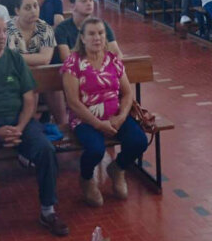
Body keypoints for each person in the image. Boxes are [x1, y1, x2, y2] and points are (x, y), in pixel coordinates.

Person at [0, 15, 69, 236]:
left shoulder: (15, 60)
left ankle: (48, 210)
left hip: (18, 122)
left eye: (4, 32)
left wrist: (19, 127)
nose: (2, 36)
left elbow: (29, 100)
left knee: (46, 149)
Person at [60, 17, 147, 207]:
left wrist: (121, 116)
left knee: (139, 141)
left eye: (100, 33)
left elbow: (127, 92)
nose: (97, 37)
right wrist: (99, 124)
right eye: (91, 33)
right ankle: (86, 178)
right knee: (96, 149)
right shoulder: (72, 63)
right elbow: (73, 102)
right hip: (85, 119)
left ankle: (118, 168)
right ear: (82, 38)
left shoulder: (112, 59)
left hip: (115, 115)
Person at [54, 0, 122, 63]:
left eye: (91, 0)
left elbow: (116, 53)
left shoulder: (102, 25)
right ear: (73, 5)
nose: (89, 3)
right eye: (84, 1)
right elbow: (66, 58)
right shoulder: (62, 29)